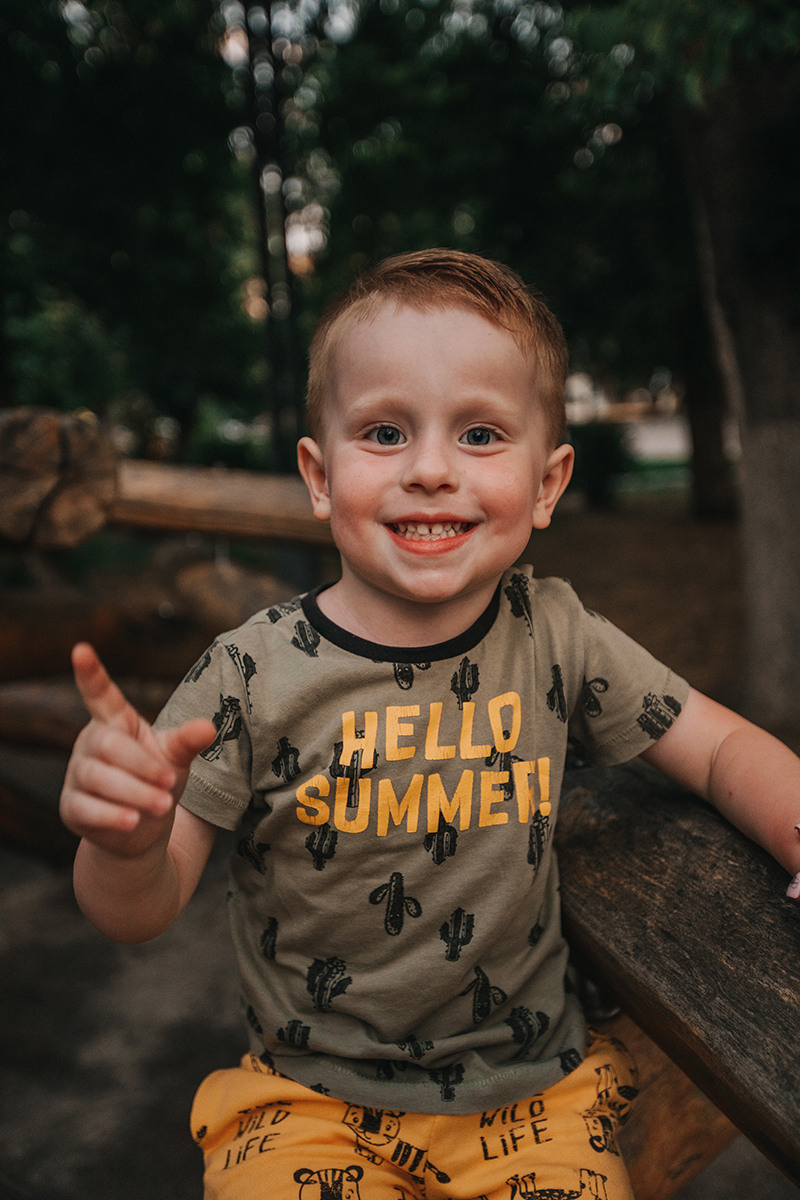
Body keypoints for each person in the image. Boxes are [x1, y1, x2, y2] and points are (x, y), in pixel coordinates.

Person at [60, 249, 800, 1200]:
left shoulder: (558, 636)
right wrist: (124, 844)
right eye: (385, 432)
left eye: (482, 433)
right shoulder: (247, 675)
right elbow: (139, 913)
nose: (432, 470)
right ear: (320, 479)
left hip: (534, 1103)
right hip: (304, 1106)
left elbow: (719, 743)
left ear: (547, 482)